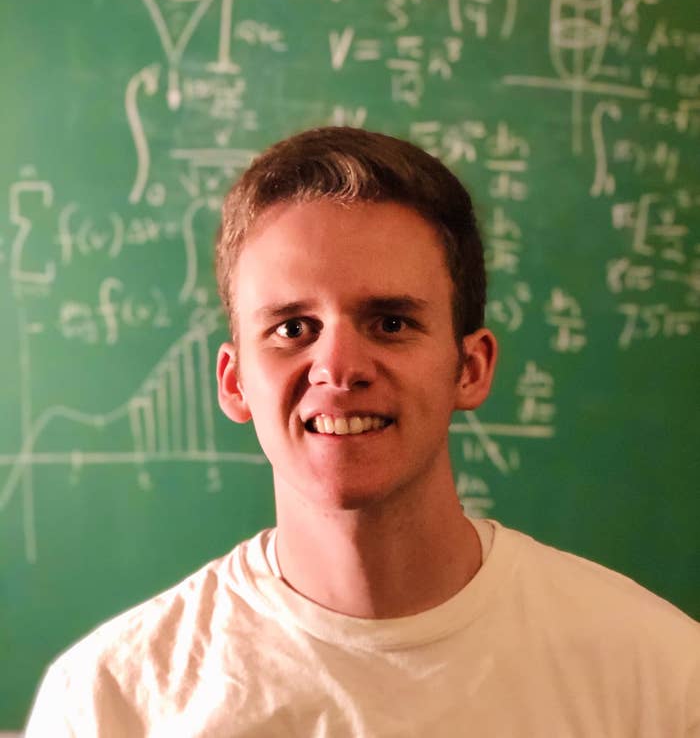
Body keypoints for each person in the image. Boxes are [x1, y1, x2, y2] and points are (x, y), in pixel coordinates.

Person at [26, 127, 699, 736]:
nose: (340, 368)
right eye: (293, 328)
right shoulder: (112, 702)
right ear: (234, 382)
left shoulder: (661, 679)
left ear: (469, 367)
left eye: (391, 323)